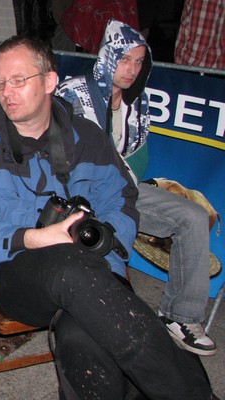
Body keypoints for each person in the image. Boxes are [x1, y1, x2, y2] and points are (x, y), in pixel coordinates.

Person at [0, 35, 216, 399]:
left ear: (50, 81)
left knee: (80, 337)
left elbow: (123, 200)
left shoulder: (87, 137)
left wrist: (105, 237)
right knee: (70, 266)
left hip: (94, 270)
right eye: (0, 83)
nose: (6, 92)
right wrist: (37, 237)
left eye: (18, 80)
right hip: (15, 273)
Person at [56, 19, 216, 356]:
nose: (131, 69)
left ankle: (181, 316)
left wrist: (124, 188)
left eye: (139, 61)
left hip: (124, 188)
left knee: (194, 216)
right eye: (125, 59)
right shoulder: (73, 92)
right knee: (102, 237)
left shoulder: (138, 102)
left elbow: (138, 158)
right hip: (77, 192)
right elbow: (57, 154)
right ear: (108, 56)